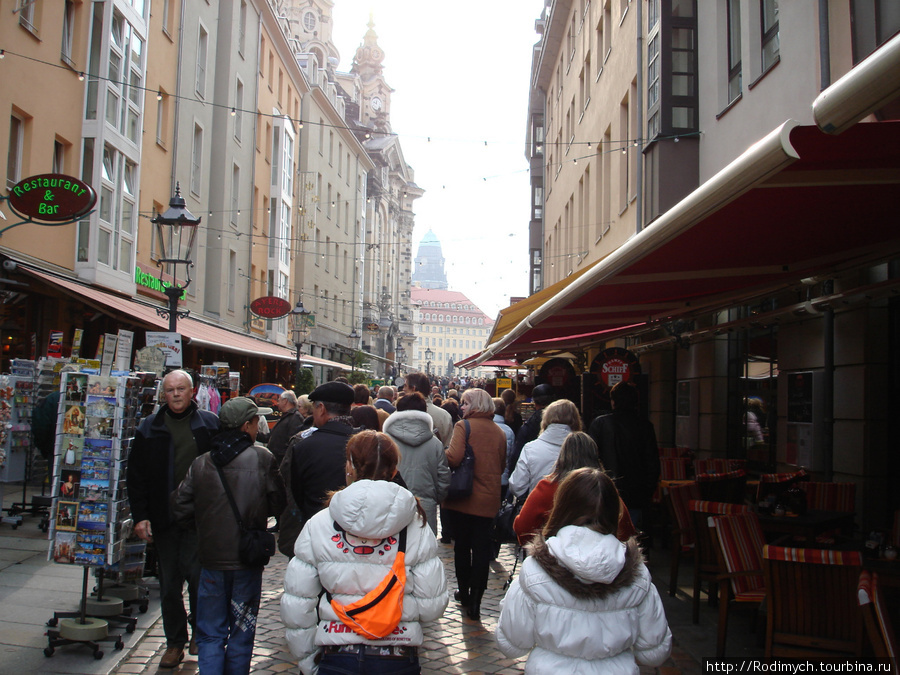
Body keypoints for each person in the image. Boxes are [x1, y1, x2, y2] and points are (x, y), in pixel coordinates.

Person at [281, 431, 449, 674]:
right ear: (394, 470)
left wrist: (307, 661)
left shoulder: (319, 523)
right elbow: (431, 606)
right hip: (396, 653)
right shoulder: (417, 526)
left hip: (337, 651)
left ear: (349, 467)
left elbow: (298, 605)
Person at [497, 467, 672, 672]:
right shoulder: (637, 575)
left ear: (562, 508)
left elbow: (512, 645)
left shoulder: (536, 571)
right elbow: (654, 652)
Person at [171, 397, 285, 674]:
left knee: (210, 631)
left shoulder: (202, 463)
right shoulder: (262, 458)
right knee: (242, 629)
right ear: (247, 426)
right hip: (247, 557)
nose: (259, 427)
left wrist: (203, 526)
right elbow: (278, 502)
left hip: (211, 558)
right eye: (257, 422)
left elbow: (180, 506)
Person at [127, 369, 221, 668]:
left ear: (193, 392)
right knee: (168, 585)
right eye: (170, 390)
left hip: (198, 517)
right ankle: (174, 642)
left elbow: (222, 471)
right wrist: (140, 516)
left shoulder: (208, 424)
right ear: (163, 394)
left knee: (198, 580)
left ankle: (198, 632)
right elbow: (136, 476)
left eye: (181, 389)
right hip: (163, 518)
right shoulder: (149, 427)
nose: (176, 394)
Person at [442, 388, 507, 620]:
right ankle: (477, 601)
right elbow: (501, 464)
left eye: (465, 403)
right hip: (488, 500)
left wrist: (444, 452)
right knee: (481, 550)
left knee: (462, 548)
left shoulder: (464, 426)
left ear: (476, 405)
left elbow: (454, 457)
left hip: (463, 498)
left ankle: (465, 591)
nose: (462, 407)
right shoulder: (499, 431)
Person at [513, 432, 635, 546]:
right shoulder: (605, 489)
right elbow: (626, 532)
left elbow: (523, 528)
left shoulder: (547, 488)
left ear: (562, 456)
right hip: (603, 561)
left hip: (554, 562)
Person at [280, 382, 358, 558]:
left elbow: (295, 492)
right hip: (359, 538)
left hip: (317, 533)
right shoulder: (367, 443)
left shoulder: (305, 446)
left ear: (321, 408)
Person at [587, 381, 660, 529]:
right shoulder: (645, 426)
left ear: (613, 401)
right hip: (636, 494)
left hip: (606, 494)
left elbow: (590, 460)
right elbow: (653, 464)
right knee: (633, 539)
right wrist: (647, 492)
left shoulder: (600, 424)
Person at [382, 392, 450, 534]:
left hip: (390, 505)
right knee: (423, 551)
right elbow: (443, 477)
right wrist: (434, 498)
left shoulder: (385, 441)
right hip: (425, 506)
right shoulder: (435, 443)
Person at [508, 399, 582, 499]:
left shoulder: (531, 448)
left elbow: (517, 486)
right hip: (573, 511)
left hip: (538, 509)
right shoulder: (583, 448)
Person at [508, 383, 555, 478]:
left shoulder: (528, 425)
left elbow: (516, 457)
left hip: (533, 477)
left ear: (534, 402)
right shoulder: (565, 423)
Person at [406, 372, 453, 448]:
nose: (403, 389)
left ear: (413, 389)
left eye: (405, 386)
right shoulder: (444, 415)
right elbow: (448, 445)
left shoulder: (401, 413)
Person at [492, 398, 516, 497]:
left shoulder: (485, 426)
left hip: (484, 479)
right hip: (502, 478)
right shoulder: (509, 431)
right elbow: (510, 454)